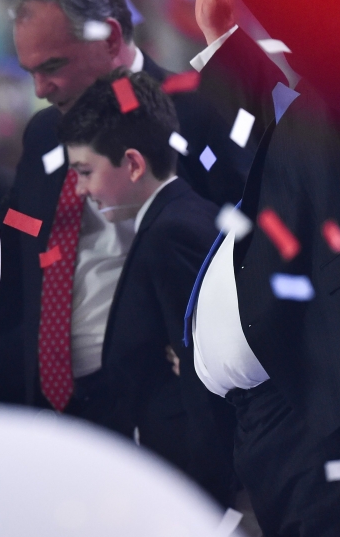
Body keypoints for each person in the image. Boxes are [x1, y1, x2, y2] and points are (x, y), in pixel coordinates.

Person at [0, 0, 241, 505]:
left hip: (163, 412)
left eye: (53, 66)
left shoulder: (196, 111)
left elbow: (240, 239)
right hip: (55, 409)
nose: (41, 88)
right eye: (29, 71)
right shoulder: (45, 131)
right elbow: (24, 235)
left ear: (112, 38)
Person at [185, 0, 340, 534]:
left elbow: (335, 48)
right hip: (275, 422)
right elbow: (253, 136)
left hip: (335, 408)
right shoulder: (309, 115)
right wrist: (219, 35)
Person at [57, 69, 226, 491]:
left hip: (192, 479)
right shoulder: (176, 217)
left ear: (132, 163)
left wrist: (211, 497)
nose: (79, 190)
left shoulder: (172, 231)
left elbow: (202, 384)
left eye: (85, 171)